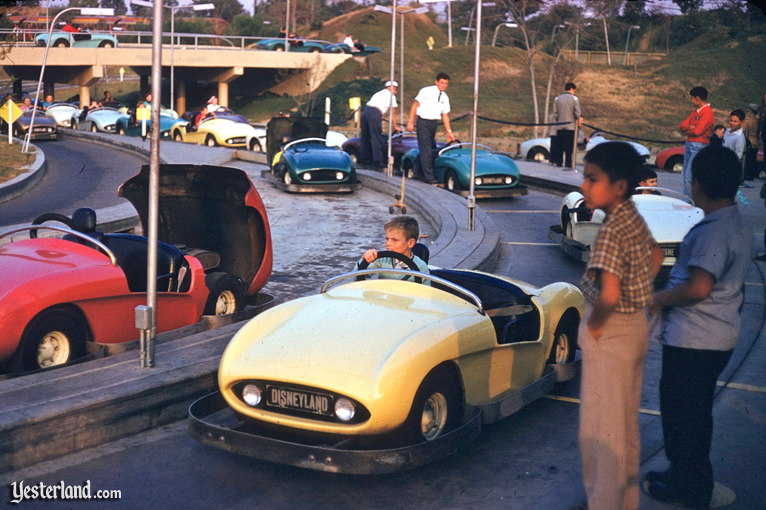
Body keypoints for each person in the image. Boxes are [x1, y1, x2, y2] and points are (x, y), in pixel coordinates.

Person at [644, 145, 753, 508]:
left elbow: (699, 287)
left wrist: (657, 299)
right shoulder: (736, 222)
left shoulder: (713, 231)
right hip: (716, 336)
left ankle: (690, 487)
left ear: (699, 184)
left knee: (683, 417)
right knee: (692, 414)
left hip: (695, 340)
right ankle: (684, 475)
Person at [577, 141, 663, 510]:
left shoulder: (611, 230)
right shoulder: (632, 217)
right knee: (624, 428)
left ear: (619, 187)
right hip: (635, 329)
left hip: (611, 334)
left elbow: (608, 295)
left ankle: (603, 503)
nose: (584, 186)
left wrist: (594, 329)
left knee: (600, 432)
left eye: (592, 179)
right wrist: (638, 290)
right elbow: (656, 256)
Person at [406, 72, 456, 184]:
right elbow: (415, 105)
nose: (443, 85)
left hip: (433, 123)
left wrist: (449, 132)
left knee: (430, 148)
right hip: (423, 122)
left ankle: (417, 171)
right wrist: (410, 122)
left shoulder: (444, 97)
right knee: (426, 150)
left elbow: (445, 115)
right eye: (442, 83)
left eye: (446, 84)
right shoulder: (426, 91)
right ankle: (429, 177)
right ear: (436, 82)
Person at [355, 215, 430, 284]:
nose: (388, 244)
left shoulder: (421, 267)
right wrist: (365, 259)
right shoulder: (382, 259)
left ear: (410, 243)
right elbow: (356, 278)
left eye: (394, 240)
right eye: (387, 239)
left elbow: (426, 294)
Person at [680, 86, 714, 197]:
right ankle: (689, 199)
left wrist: (689, 129)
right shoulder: (696, 112)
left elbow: (698, 131)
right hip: (690, 144)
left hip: (699, 145)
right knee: (686, 174)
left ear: (697, 98)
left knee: (689, 176)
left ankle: (688, 202)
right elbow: (682, 125)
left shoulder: (708, 112)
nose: (691, 100)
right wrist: (691, 128)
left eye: (692, 98)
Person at [360, 80, 399, 170]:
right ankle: (377, 160)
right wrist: (395, 126)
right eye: (395, 89)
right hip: (374, 113)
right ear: (391, 88)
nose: (395, 91)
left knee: (365, 136)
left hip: (366, 111)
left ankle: (364, 158)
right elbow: (393, 112)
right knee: (376, 137)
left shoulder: (378, 94)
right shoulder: (391, 96)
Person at [552, 82, 583, 169]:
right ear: (571, 89)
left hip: (560, 126)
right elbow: (577, 113)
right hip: (571, 127)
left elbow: (555, 114)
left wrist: (559, 120)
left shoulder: (557, 99)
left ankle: (559, 162)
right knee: (569, 147)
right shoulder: (575, 99)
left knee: (560, 146)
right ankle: (568, 164)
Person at [743, 103, 759, 184]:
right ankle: (752, 176)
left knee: (747, 160)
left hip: (749, 140)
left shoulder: (748, 120)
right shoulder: (758, 120)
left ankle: (746, 176)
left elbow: (743, 129)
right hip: (756, 141)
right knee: (753, 160)